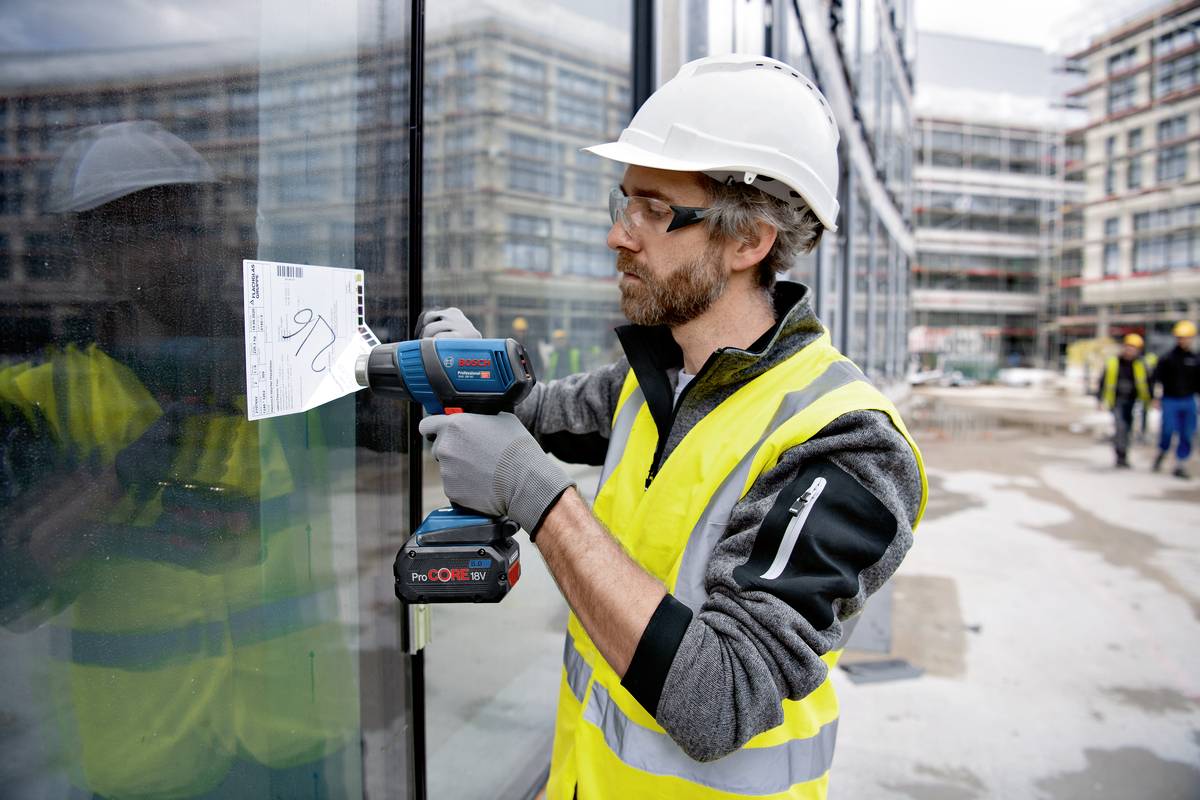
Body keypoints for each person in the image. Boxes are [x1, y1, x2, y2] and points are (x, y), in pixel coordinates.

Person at [416, 54, 926, 800]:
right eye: (624, 205)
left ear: (748, 240)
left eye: (654, 210)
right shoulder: (650, 381)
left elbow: (720, 700)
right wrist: (460, 365)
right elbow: (527, 415)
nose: (620, 237)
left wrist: (539, 498)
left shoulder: (848, 445)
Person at [0, 121, 356, 798]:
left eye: (184, 226)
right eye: (140, 231)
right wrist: (112, 482)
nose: (172, 250)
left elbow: (393, 425)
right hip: (149, 759)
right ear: (91, 249)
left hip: (295, 734)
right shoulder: (45, 395)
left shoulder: (279, 363)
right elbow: (14, 582)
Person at [1151, 320, 1199, 479]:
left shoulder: (1195, 359)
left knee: (1187, 433)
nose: (1183, 340)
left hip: (1189, 400)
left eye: (1187, 337)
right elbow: (1155, 379)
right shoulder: (1167, 358)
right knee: (1168, 430)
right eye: (1181, 337)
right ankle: (1162, 451)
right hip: (1170, 399)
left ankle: (1181, 463)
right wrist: (1155, 397)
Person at [1096, 333, 1151, 468]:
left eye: (1134, 348)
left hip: (1132, 401)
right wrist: (1099, 399)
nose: (1130, 351)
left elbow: (1147, 383)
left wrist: (1149, 399)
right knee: (1120, 427)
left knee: (1127, 429)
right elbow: (1102, 381)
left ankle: (1124, 454)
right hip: (1116, 400)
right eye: (1129, 347)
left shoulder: (1140, 365)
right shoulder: (1114, 362)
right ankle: (1120, 454)